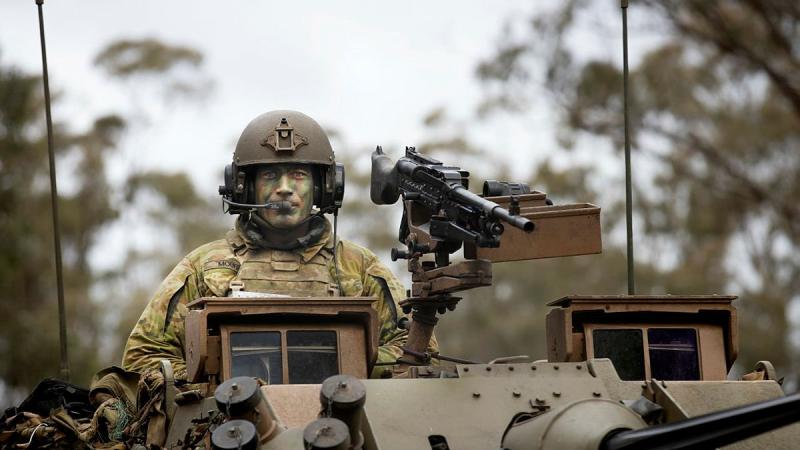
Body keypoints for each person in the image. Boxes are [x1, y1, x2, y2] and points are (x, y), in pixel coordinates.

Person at [122, 110, 433, 381]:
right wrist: (214, 379)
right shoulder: (204, 266)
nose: (284, 189)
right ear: (243, 187)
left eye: (298, 175)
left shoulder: (360, 268)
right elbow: (143, 357)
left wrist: (342, 368)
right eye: (270, 175)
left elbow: (418, 349)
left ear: (325, 187)